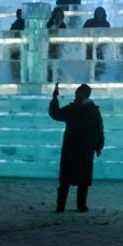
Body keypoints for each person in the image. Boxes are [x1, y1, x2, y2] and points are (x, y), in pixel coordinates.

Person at [49, 82, 104, 212]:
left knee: (68, 179)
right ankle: (80, 206)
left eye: (78, 93)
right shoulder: (92, 110)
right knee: (81, 179)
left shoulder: (75, 109)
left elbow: (56, 114)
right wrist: (98, 146)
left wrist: (55, 99)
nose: (76, 95)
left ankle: (61, 206)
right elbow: (99, 130)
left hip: (73, 147)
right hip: (84, 148)